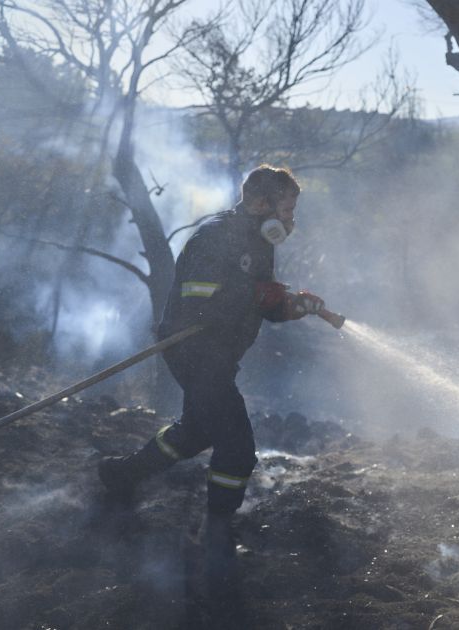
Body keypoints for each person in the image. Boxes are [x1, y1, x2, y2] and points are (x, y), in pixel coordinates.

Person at [97, 164, 325, 579]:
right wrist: (256, 292)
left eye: (293, 212)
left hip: (217, 354)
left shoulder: (260, 242)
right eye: (287, 210)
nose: (291, 220)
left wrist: (292, 307)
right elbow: (198, 298)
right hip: (193, 349)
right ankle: (215, 538)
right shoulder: (216, 236)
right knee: (237, 450)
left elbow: (264, 307)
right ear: (260, 203)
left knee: (197, 431)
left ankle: (121, 475)